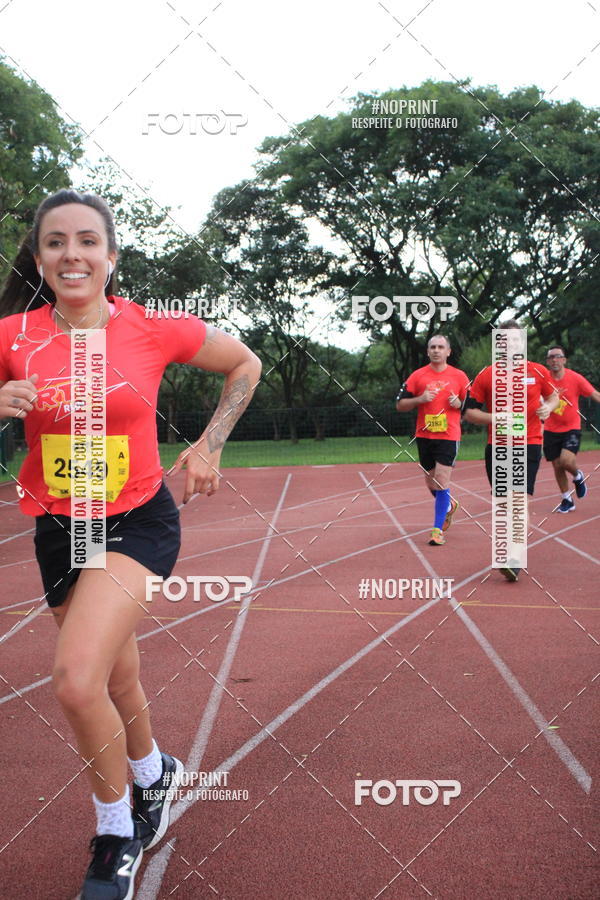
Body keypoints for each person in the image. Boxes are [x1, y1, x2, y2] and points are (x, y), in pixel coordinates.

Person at [0, 189, 261, 900]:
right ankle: (155, 774)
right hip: (61, 526)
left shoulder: (153, 328)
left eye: (88, 240)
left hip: (138, 521)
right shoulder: (12, 336)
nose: (72, 254)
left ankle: (118, 831)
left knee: (76, 679)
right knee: (115, 678)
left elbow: (246, 365)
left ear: (111, 257)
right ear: (40, 257)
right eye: (55, 242)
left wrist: (210, 444)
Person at [463, 320, 558, 581]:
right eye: (505, 340)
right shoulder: (487, 375)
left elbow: (553, 396)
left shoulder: (537, 371)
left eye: (516, 339)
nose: (511, 344)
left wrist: (548, 407)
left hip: (529, 443)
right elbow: (470, 412)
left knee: (519, 501)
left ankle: (514, 557)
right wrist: (497, 419)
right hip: (497, 446)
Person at [396, 334, 469, 546]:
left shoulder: (459, 377)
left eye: (440, 347)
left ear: (448, 352)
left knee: (441, 480)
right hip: (424, 434)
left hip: (449, 434)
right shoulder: (417, 376)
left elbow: (473, 405)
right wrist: (420, 399)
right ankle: (448, 505)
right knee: (430, 480)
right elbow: (399, 405)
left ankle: (437, 531)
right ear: (428, 351)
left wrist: (460, 404)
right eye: (433, 347)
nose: (436, 350)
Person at [543, 346, 600, 512]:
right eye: (551, 357)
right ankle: (567, 499)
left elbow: (594, 394)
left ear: (564, 360)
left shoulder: (575, 378)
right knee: (557, 465)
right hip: (550, 429)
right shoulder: (544, 379)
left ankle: (578, 476)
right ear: (547, 361)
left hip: (571, 428)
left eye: (558, 356)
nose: (554, 360)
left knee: (566, 461)